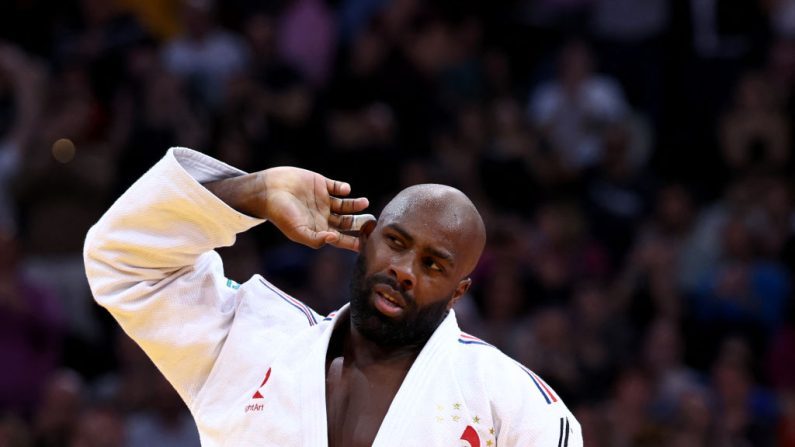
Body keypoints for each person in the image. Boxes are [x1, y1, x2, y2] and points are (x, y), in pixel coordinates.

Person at [84, 147, 582, 446]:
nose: (404, 271)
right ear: (366, 238)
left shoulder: (508, 401)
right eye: (397, 242)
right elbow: (123, 262)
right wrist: (251, 190)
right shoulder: (254, 342)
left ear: (459, 291)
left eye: (433, 265)